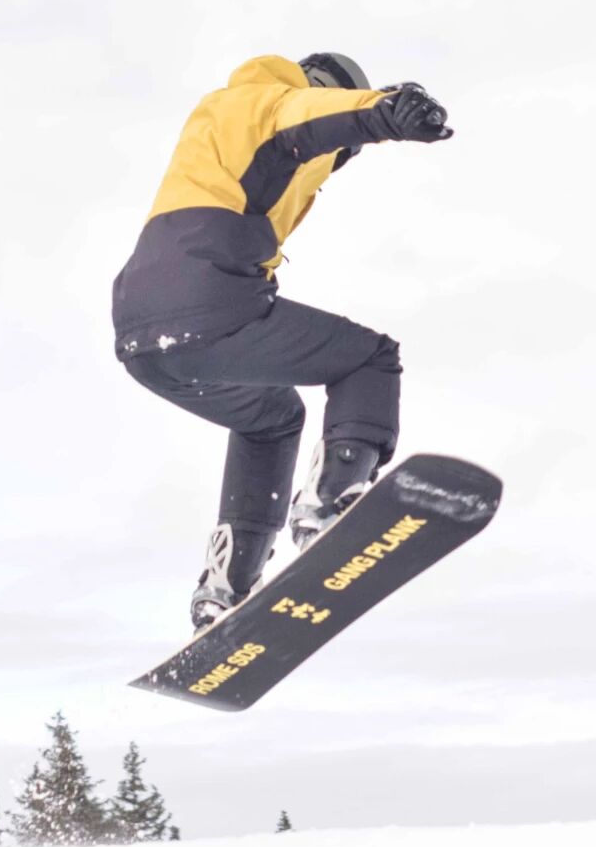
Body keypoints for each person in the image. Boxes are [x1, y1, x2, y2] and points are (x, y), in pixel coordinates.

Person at [111, 53, 453, 631]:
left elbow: (309, 139)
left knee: (272, 419)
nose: (341, 156)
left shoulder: (224, 131)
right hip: (208, 302)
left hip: (144, 336)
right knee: (370, 358)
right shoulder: (267, 102)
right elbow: (308, 117)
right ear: (321, 86)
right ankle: (331, 502)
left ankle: (226, 586)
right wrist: (386, 112)